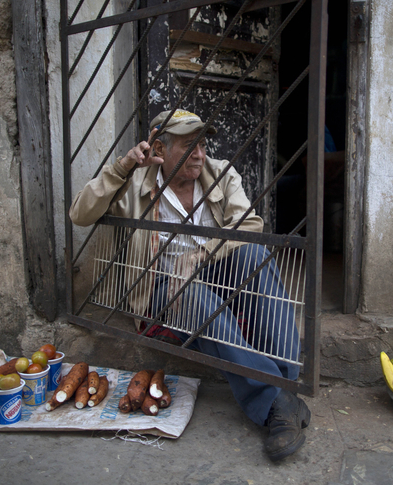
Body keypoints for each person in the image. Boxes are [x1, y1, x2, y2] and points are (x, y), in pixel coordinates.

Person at [69, 109, 311, 461]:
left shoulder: (221, 174)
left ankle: (286, 385)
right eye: (188, 145)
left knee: (255, 255)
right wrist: (122, 166)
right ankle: (278, 401)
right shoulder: (134, 183)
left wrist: (200, 254)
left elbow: (249, 226)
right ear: (160, 148)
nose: (200, 154)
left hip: (212, 269)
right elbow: (80, 214)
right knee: (192, 294)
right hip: (163, 287)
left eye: (202, 144)